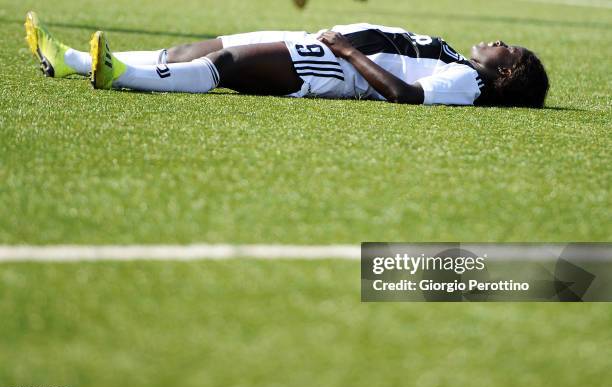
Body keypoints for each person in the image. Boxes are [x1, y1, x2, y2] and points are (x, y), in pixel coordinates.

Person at [24, 12, 549, 107]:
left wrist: (342, 48)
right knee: (197, 50)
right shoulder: (461, 64)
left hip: (332, 66)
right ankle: (70, 58)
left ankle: (119, 75)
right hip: (322, 45)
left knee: (229, 63)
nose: (499, 40)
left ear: (507, 72)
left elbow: (404, 94)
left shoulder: (470, 85)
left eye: (509, 48)